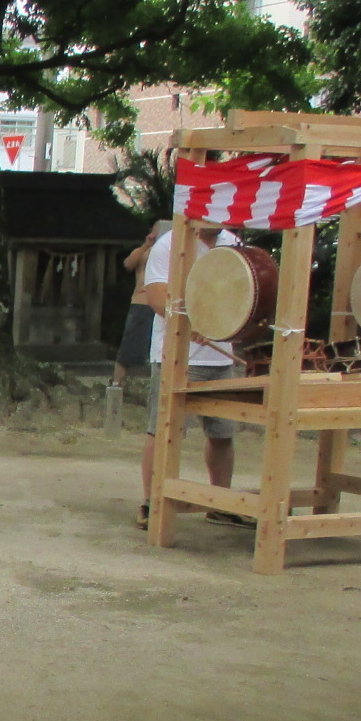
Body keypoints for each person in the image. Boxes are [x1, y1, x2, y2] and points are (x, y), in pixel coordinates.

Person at [139, 221, 248, 528]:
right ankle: (151, 502)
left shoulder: (233, 243)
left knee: (223, 431)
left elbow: (242, 292)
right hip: (176, 354)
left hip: (219, 353)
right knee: (163, 429)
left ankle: (220, 501)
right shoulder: (170, 244)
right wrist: (193, 321)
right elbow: (157, 296)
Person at [114, 221, 167, 390]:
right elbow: (128, 264)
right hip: (142, 301)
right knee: (130, 343)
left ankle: (154, 383)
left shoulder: (173, 249)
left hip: (164, 302)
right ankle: (117, 382)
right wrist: (146, 245)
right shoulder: (145, 251)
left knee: (159, 346)